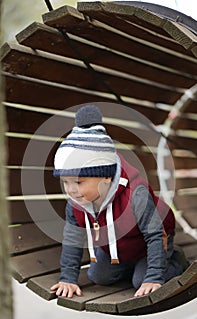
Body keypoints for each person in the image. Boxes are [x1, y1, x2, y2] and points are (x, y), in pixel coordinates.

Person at [51, 104, 189, 299]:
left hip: (153, 241)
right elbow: (73, 240)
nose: (71, 189)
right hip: (117, 245)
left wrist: (154, 277)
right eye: (65, 182)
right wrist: (68, 278)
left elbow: (155, 236)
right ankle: (132, 267)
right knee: (98, 276)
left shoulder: (136, 195)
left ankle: (175, 259)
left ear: (106, 177)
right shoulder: (76, 203)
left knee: (141, 281)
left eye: (79, 182)